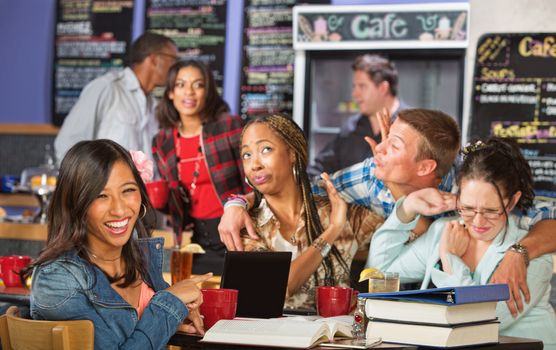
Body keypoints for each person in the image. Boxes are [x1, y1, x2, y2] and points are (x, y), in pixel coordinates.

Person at [219, 108, 556, 317]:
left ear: (426, 167)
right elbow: (301, 190)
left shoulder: (469, 186)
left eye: (393, 144)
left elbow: (543, 214)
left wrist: (520, 251)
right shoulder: (370, 175)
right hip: (409, 307)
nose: (377, 149)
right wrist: (237, 201)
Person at [367, 137, 556, 348]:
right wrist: (406, 208)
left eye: (491, 211)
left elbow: (479, 322)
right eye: (467, 208)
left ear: (512, 201)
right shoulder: (444, 230)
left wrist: (451, 259)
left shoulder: (531, 255)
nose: (478, 221)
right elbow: (379, 273)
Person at [23, 139, 212, 349]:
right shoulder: (57, 278)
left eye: (128, 190)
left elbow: (147, 327)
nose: (120, 210)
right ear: (76, 203)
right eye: (101, 196)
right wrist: (170, 302)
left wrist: (168, 323)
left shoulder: (141, 260)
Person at [240, 114, 383, 309]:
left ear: (292, 153)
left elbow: (413, 230)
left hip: (336, 337)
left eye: (266, 150)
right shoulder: (247, 224)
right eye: (247, 155)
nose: (254, 164)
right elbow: (277, 287)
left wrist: (390, 173)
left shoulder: (336, 209)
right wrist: (332, 231)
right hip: (271, 338)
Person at [152, 60, 249, 275]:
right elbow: (176, 203)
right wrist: (160, 201)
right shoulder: (162, 140)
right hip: (195, 242)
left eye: (198, 85)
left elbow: (251, 181)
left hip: (238, 238)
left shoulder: (228, 127)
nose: (189, 92)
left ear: (208, 92)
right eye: (181, 85)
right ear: (170, 93)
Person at [55, 32, 178, 162]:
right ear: (154, 59)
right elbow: (67, 145)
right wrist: (89, 181)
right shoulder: (107, 88)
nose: (176, 68)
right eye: (173, 59)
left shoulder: (154, 105)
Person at [308, 54, 408, 176]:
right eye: (354, 86)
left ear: (383, 88)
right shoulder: (350, 128)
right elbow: (319, 170)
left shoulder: (412, 127)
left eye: (362, 86)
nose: (355, 94)